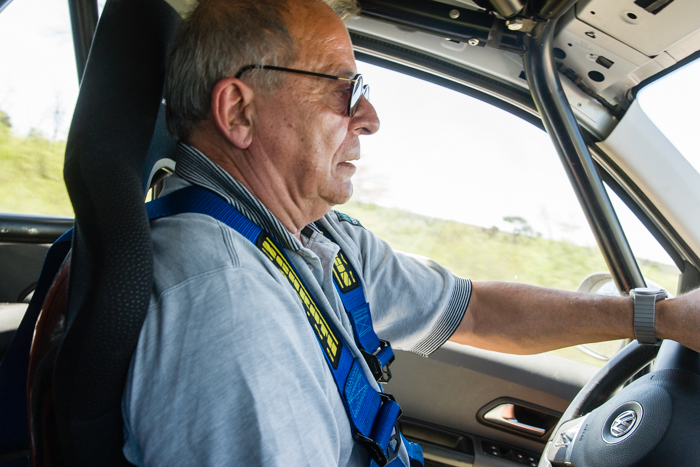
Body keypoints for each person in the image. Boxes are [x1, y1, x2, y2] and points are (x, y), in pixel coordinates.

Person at [121, 0, 700, 465]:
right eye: (343, 89)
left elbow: (476, 311)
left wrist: (662, 317)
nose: (370, 118)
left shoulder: (314, 238)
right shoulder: (225, 303)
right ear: (239, 112)